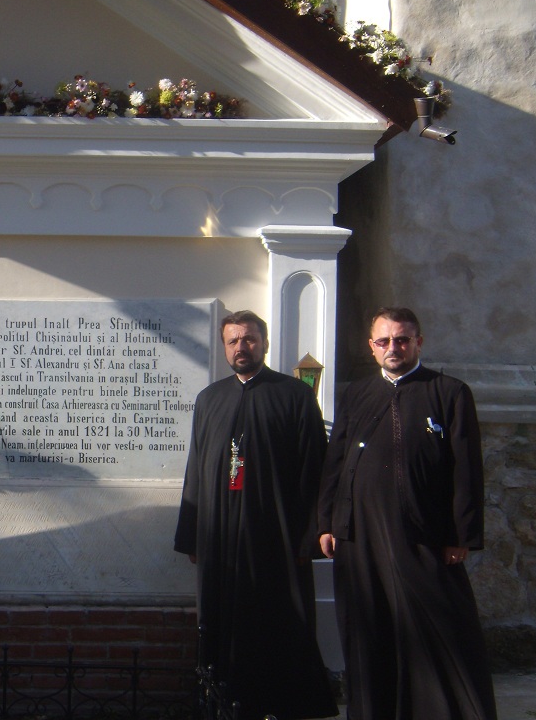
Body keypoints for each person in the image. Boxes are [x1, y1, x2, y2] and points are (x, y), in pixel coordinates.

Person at [318, 307, 497, 719]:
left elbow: (467, 469)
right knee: (370, 628)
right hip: (359, 535)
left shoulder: (449, 392)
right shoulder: (358, 393)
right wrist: (326, 521)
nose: (393, 348)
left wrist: (461, 534)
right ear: (372, 347)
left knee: (444, 627)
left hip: (426, 535)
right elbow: (336, 460)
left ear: (419, 341)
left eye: (402, 339)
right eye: (384, 341)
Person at [174, 310, 337, 720]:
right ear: (224, 347)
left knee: (278, 619)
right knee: (221, 617)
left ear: (263, 343)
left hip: (276, 534)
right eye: (233, 341)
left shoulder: (295, 396)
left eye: (249, 339)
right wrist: (191, 535)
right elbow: (196, 468)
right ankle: (221, 701)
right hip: (220, 536)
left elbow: (313, 471)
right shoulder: (209, 399)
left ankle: (283, 704)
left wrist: (308, 537)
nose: (241, 347)